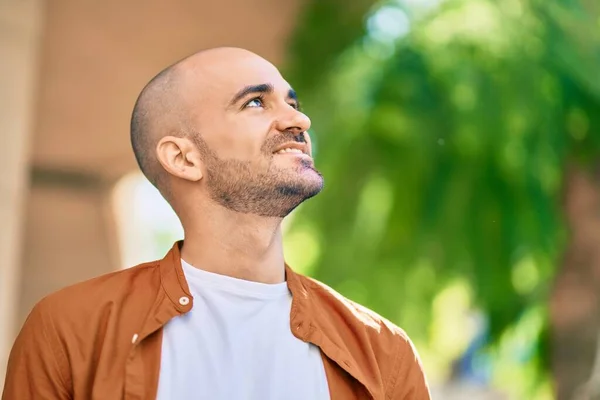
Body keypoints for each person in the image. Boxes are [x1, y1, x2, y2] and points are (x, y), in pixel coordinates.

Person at [2, 47, 430, 400]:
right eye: (256, 102)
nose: (300, 121)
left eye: (293, 103)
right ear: (184, 158)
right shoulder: (71, 330)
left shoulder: (382, 351)